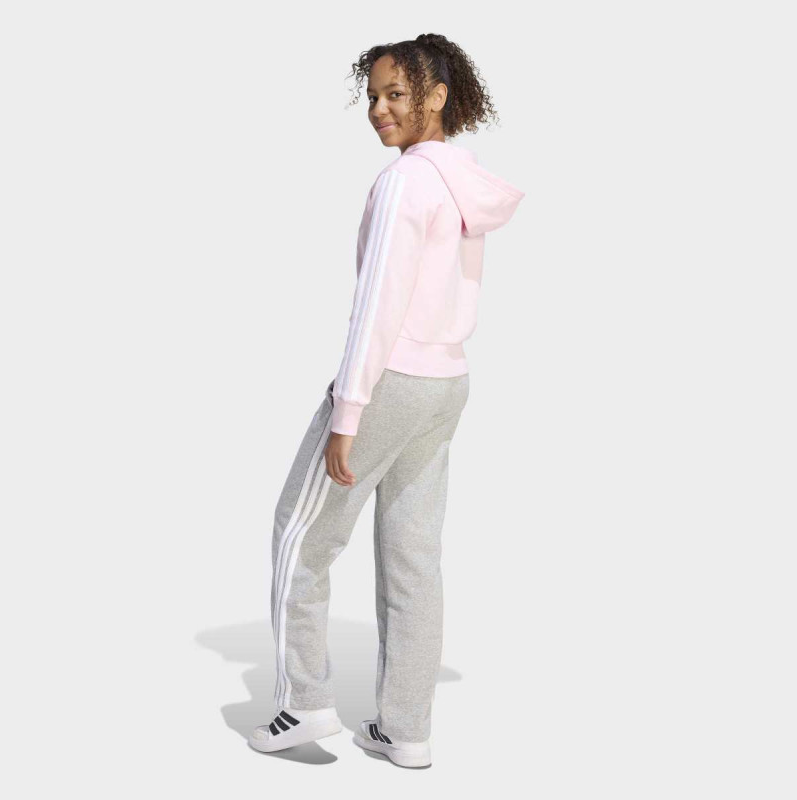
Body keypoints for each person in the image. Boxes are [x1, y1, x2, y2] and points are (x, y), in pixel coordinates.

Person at [248, 33, 524, 768]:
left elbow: (378, 305)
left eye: (396, 94)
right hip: (446, 383)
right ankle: (406, 728)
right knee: (413, 557)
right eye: (372, 95)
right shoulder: (463, 181)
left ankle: (305, 701)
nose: (378, 109)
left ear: (437, 96)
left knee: (300, 535)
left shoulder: (406, 181)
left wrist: (349, 411)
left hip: (388, 380)